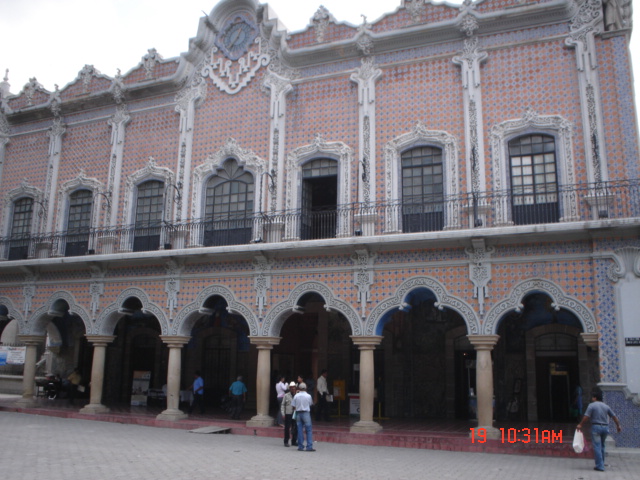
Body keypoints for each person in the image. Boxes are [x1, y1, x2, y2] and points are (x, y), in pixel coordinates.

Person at [576, 389, 622, 472]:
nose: (592, 399)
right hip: (605, 428)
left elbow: (586, 416)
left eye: (592, 397)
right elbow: (614, 416)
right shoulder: (606, 406)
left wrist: (580, 424)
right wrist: (618, 425)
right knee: (602, 446)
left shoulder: (592, 405)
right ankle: (601, 463)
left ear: (594, 398)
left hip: (596, 427)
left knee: (597, 446)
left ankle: (600, 466)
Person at [291, 382, 315, 451]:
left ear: (299, 388)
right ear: (306, 388)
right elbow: (311, 404)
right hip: (306, 413)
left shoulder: (296, 396)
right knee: (309, 430)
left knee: (299, 429)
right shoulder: (308, 396)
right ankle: (309, 446)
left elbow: (293, 405)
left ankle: (300, 446)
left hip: (298, 413)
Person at [280, 381, 298, 447]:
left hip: (295, 413)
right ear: (290, 388)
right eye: (292, 388)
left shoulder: (297, 395)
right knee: (287, 428)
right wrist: (283, 413)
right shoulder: (286, 395)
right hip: (288, 413)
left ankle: (294, 441)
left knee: (295, 427)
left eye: (294, 387)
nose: (293, 389)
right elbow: (282, 405)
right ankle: (286, 441)